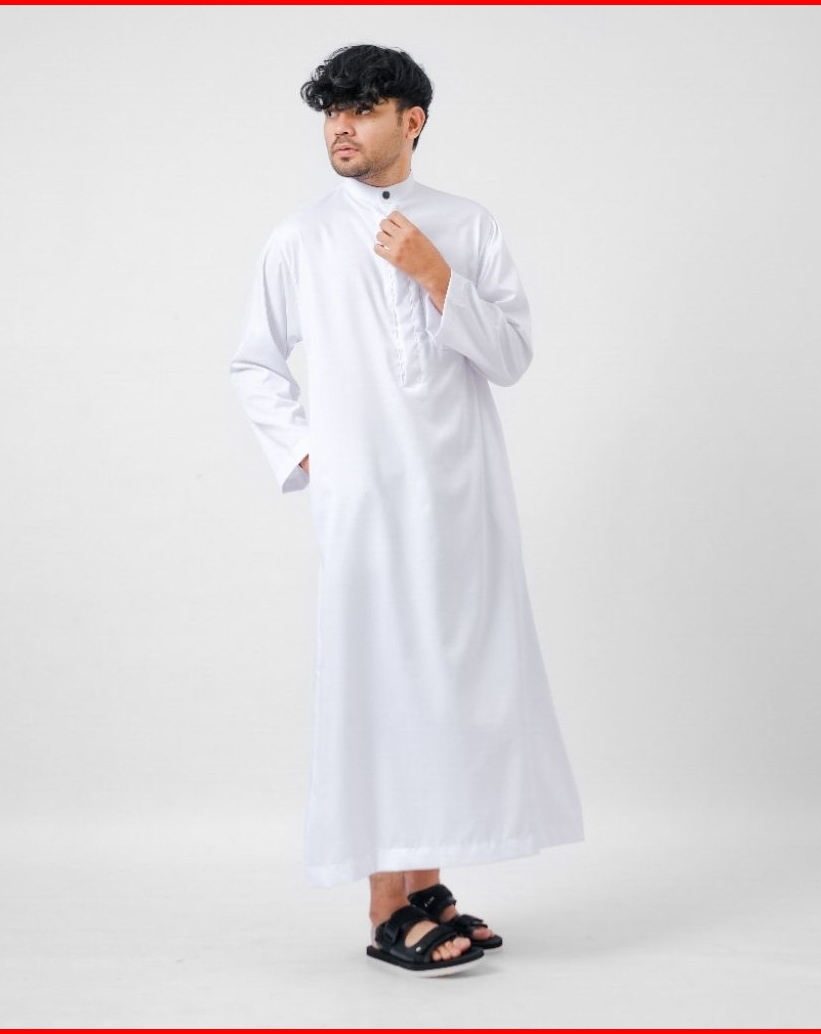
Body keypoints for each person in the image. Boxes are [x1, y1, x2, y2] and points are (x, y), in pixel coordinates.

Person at [230, 44, 583, 976]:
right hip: (368, 505)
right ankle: (387, 905)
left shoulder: (465, 225)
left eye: (362, 110)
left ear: (411, 121)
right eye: (331, 113)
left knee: (453, 681)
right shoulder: (302, 238)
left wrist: (436, 274)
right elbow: (254, 361)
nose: (341, 128)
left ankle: (426, 883)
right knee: (382, 679)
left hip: (464, 495)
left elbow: (510, 356)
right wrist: (313, 457)